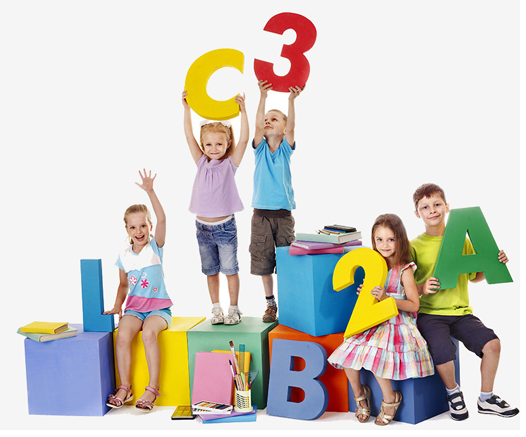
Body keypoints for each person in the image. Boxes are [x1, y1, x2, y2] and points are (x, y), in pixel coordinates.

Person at [411, 183, 519, 420]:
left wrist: (493, 263)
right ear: (417, 213)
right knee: (443, 350)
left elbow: (474, 276)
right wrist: (421, 288)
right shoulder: (414, 246)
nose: (432, 210)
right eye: (425, 207)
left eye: (437, 204)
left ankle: (486, 398)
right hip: (430, 314)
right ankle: (453, 392)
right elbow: (404, 285)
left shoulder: (461, 240)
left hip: (461, 313)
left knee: (493, 345)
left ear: (447, 207)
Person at [328, 214, 434, 426]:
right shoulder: (375, 266)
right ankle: (360, 395)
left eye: (391, 239)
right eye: (379, 239)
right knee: (348, 354)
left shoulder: (404, 269)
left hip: (397, 322)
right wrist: (367, 295)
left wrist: (387, 298)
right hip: (374, 320)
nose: (385, 245)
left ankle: (390, 398)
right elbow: (372, 298)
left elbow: (414, 305)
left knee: (377, 356)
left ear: (400, 240)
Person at [104, 169, 172, 412]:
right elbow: (123, 285)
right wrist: (117, 306)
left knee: (149, 334)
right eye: (133, 227)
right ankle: (125, 387)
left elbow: (163, 219)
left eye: (143, 225)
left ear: (150, 226)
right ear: (127, 230)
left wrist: (150, 191)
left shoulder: (155, 247)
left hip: (158, 309)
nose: (139, 231)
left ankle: (152, 388)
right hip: (134, 309)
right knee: (122, 336)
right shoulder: (123, 256)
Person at [182, 90, 249, 325]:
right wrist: (186, 109)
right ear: (203, 145)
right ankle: (216, 309)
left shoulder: (230, 164)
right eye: (208, 144)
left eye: (219, 143)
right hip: (202, 228)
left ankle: (234, 309)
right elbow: (188, 135)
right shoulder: (201, 162)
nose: (213, 148)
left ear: (227, 143)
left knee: (230, 269)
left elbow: (244, 140)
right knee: (210, 271)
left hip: (225, 227)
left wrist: (243, 112)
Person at [250, 79, 303, 322]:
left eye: (275, 119)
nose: (268, 121)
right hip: (261, 215)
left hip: (283, 215)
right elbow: (257, 123)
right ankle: (270, 304)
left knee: (286, 262)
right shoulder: (260, 149)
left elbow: (292, 128)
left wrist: (291, 100)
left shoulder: (285, 148)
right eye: (266, 119)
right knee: (264, 262)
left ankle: (290, 302)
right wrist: (263, 97)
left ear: (283, 129)